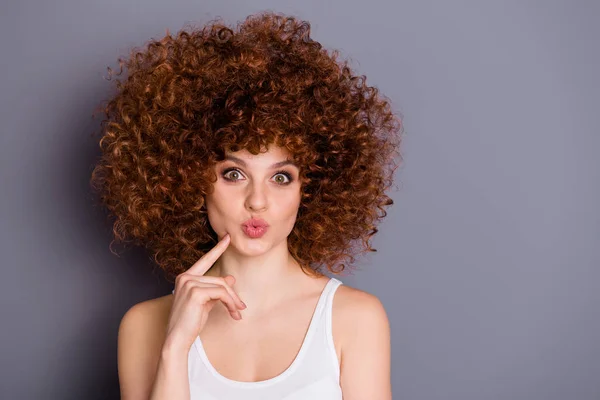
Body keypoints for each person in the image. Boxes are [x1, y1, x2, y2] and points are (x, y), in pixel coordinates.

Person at [90, 10, 403, 400]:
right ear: (189, 177)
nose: (257, 201)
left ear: (312, 188)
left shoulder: (355, 319)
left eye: (281, 177)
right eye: (233, 174)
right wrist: (174, 350)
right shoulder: (144, 326)